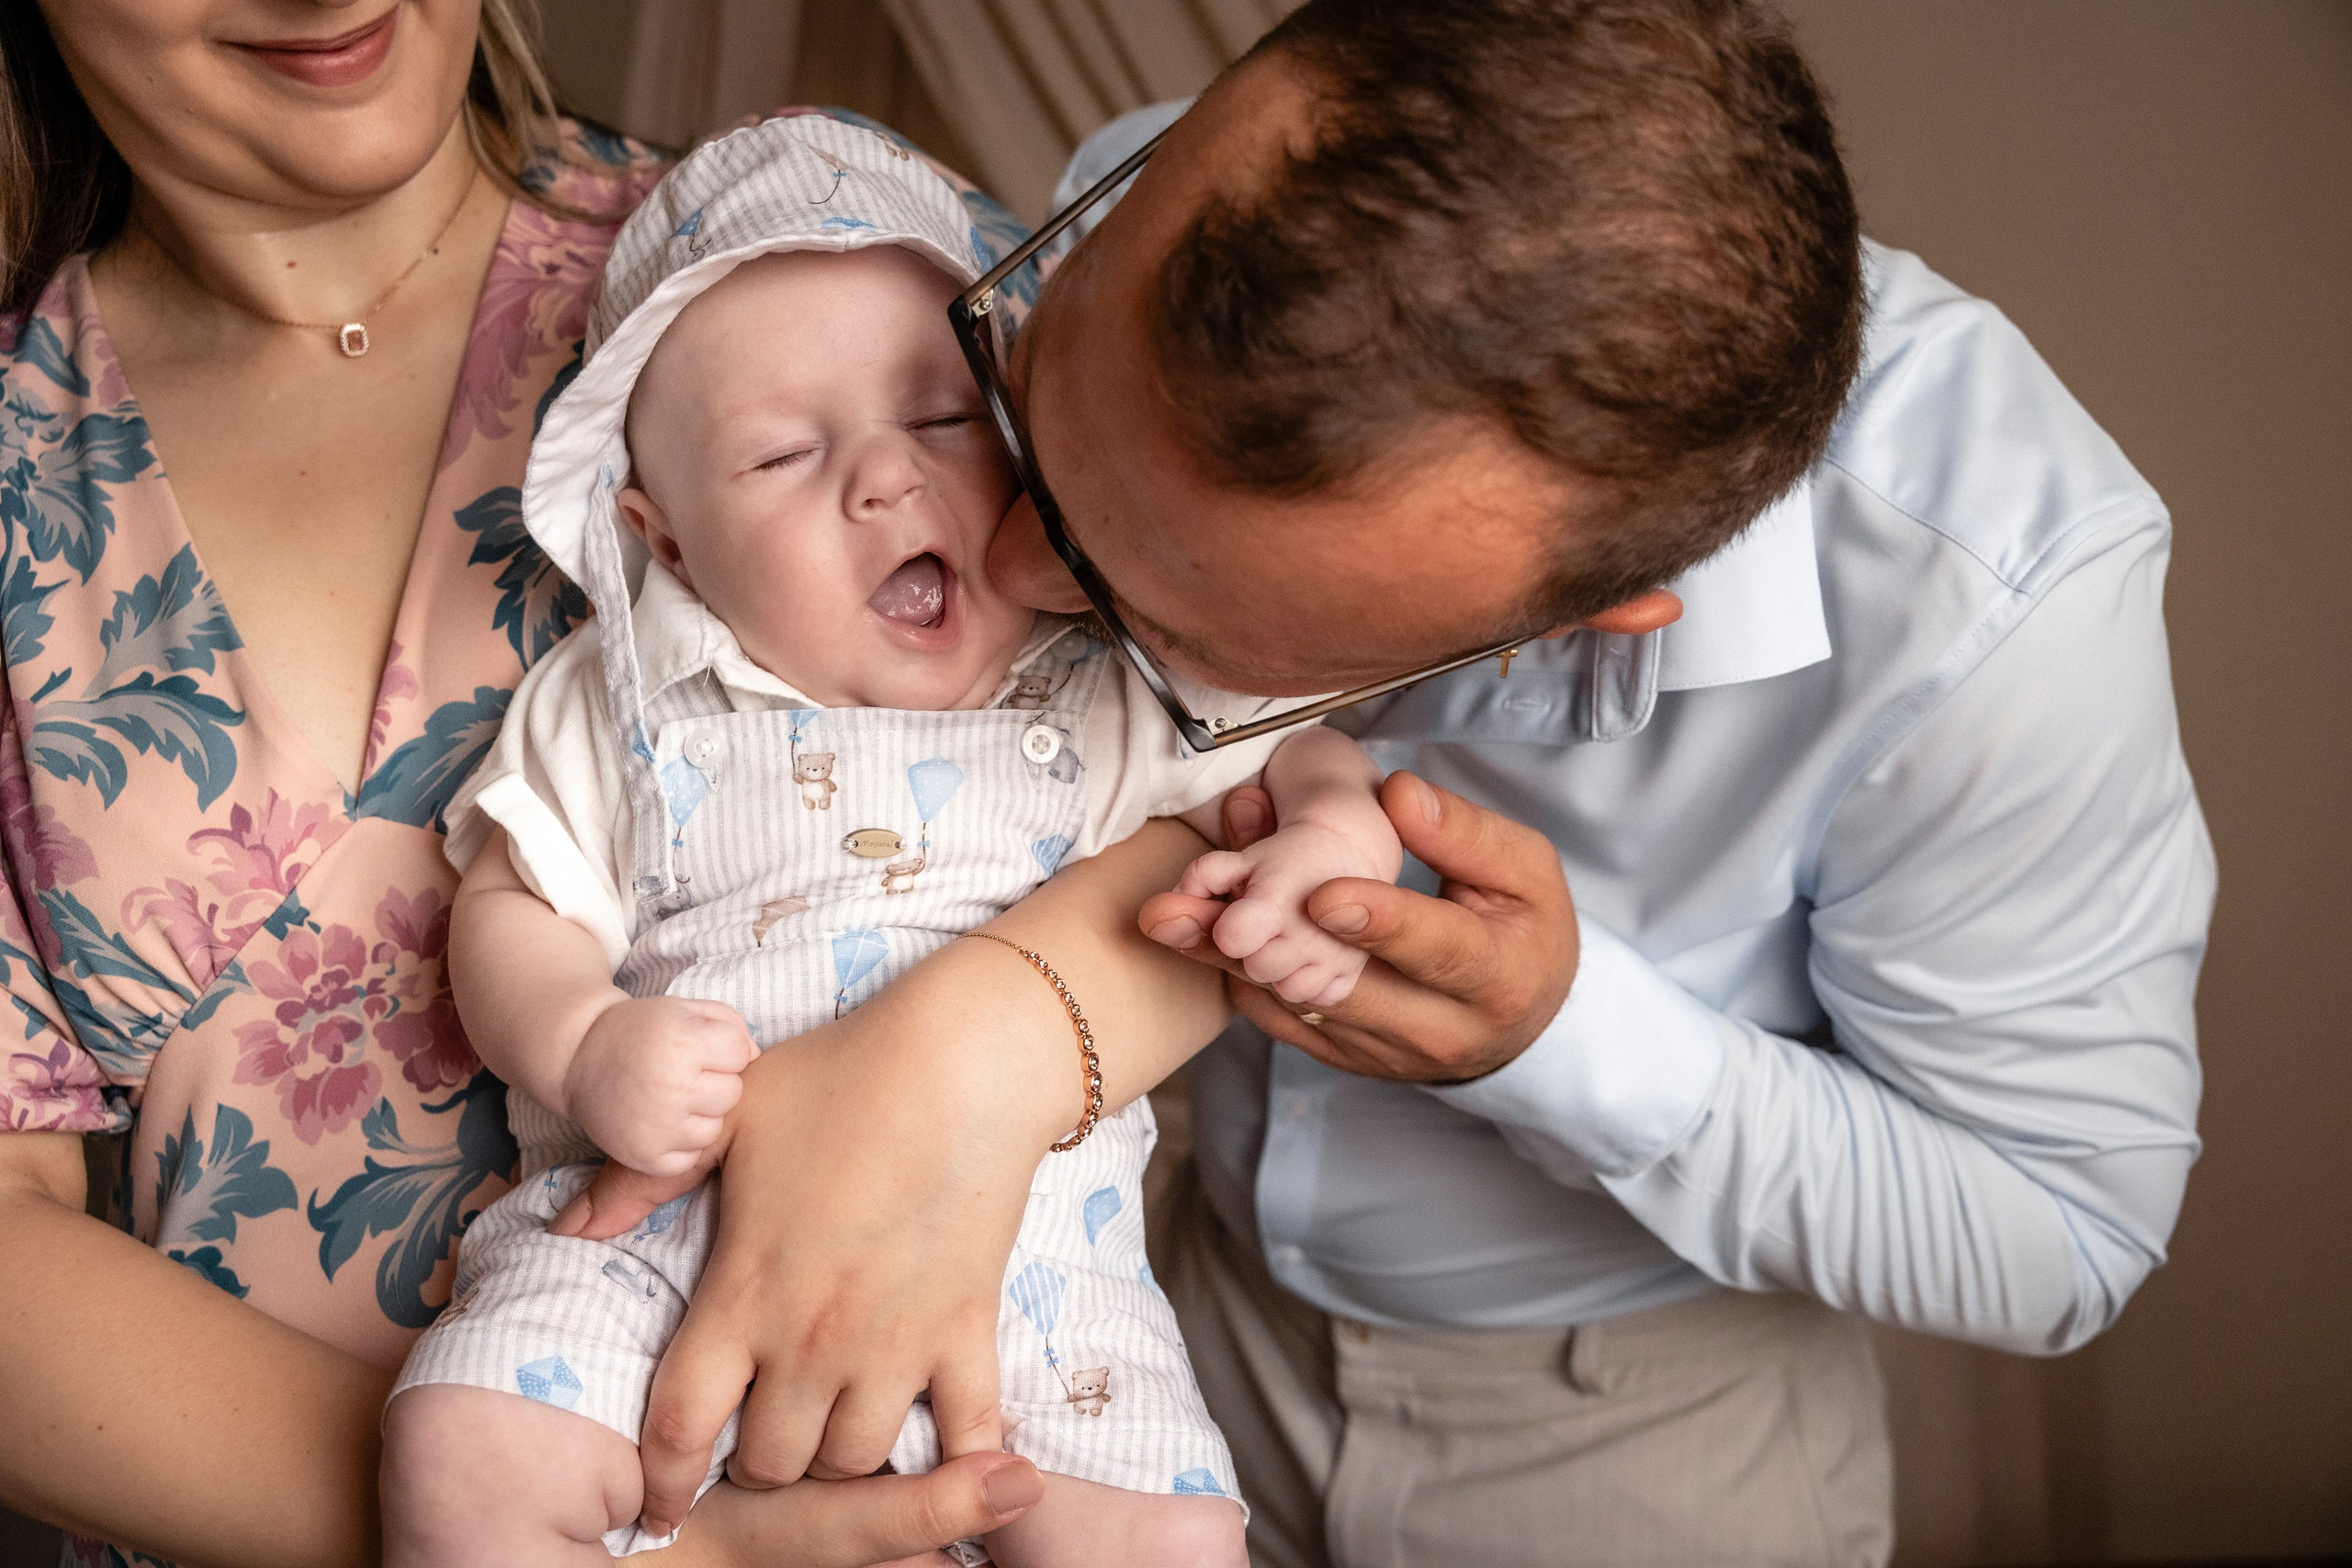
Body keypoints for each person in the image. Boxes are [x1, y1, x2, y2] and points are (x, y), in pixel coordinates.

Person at [947, 1, 2206, 1563]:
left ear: (1573, 623)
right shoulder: (1165, 200)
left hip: (1643, 1443)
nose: (1000, 571)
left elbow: (2059, 1234)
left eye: (1171, 624)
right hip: (1149, 1313)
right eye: (1029, 419)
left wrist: (1562, 1039)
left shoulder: (1997, 604)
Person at [0, 6, 1239, 1565]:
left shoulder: (836, 259)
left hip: (957, 1434)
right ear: (648, 526)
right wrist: (652, 1543)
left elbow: (1206, 768)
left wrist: (980, 1041)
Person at [379, 115, 1401, 1567]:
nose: (880, 477)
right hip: (664, 1256)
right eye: (784, 455)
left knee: (1171, 1539)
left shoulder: (1100, 676)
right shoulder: (628, 710)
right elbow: (512, 910)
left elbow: (1291, 756)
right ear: (663, 543)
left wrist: (1330, 825)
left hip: (1043, 1295)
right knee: (464, 1454)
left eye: (937, 421)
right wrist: (584, 1047)